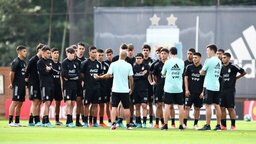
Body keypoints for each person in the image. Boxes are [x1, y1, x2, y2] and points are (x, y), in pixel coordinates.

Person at [98, 50, 134, 130]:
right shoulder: (128, 65)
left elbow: (108, 75)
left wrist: (99, 77)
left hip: (115, 90)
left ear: (119, 55)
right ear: (126, 57)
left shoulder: (113, 64)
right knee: (126, 108)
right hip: (125, 90)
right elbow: (131, 78)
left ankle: (113, 123)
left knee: (114, 107)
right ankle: (128, 125)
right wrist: (131, 88)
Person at [220, 52, 246, 130]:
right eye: (222, 58)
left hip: (230, 91)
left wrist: (236, 78)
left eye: (224, 57)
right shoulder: (221, 67)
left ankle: (233, 126)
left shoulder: (234, 66)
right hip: (222, 91)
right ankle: (223, 126)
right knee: (222, 108)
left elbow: (244, 72)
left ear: (228, 58)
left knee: (230, 108)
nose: (223, 59)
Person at [199, 44, 222, 131]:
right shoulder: (219, 61)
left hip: (208, 86)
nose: (207, 52)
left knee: (208, 106)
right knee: (217, 105)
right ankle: (218, 125)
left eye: (207, 50)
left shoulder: (209, 60)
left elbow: (202, 72)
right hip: (216, 86)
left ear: (212, 50)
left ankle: (207, 125)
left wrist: (202, 71)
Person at [161, 47, 185, 130]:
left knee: (167, 106)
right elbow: (181, 72)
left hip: (169, 88)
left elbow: (163, 72)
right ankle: (181, 125)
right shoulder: (181, 62)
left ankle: (165, 125)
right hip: (178, 88)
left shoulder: (168, 62)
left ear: (170, 53)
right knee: (181, 107)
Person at [81, 46, 101, 127]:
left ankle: (95, 121)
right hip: (87, 87)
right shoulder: (85, 63)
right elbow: (81, 75)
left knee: (95, 105)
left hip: (96, 87)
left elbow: (99, 74)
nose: (94, 53)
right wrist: (86, 81)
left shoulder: (98, 64)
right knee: (86, 104)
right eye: (93, 52)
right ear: (89, 53)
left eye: (95, 52)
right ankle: (85, 121)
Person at [184, 52, 204, 129]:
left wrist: (203, 92)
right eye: (193, 58)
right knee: (187, 107)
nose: (194, 59)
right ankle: (184, 124)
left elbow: (205, 81)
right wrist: (186, 89)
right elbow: (186, 78)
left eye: (196, 58)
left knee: (197, 108)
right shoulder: (189, 67)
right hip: (190, 92)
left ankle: (195, 124)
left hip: (199, 92)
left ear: (199, 58)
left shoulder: (203, 68)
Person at [8, 46, 27, 127]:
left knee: (20, 103)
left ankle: (17, 121)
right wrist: (11, 83)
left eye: (26, 51)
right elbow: (11, 73)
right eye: (24, 51)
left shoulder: (24, 62)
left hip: (23, 86)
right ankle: (10, 121)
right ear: (19, 52)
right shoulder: (16, 61)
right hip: (17, 85)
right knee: (14, 102)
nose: (26, 53)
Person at [25, 43, 44, 126]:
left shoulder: (42, 61)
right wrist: (27, 84)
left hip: (40, 84)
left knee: (39, 102)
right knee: (35, 102)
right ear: (39, 50)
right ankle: (36, 121)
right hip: (33, 84)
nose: (43, 52)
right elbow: (27, 72)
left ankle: (31, 120)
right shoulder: (33, 60)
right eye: (42, 50)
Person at [62, 47, 80, 128]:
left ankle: (69, 120)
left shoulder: (76, 63)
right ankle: (69, 120)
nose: (72, 54)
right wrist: (73, 77)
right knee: (68, 103)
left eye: (73, 53)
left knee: (73, 103)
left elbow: (78, 74)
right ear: (67, 53)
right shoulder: (64, 62)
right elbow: (65, 75)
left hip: (74, 86)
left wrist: (71, 77)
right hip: (67, 86)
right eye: (70, 53)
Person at [37, 45, 55, 128]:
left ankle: (45, 121)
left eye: (49, 53)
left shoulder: (50, 61)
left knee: (49, 103)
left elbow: (51, 72)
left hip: (51, 84)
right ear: (43, 53)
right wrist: (48, 70)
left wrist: (50, 70)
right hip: (44, 85)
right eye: (47, 53)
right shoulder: (40, 62)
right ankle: (45, 121)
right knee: (46, 103)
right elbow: (42, 73)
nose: (49, 55)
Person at [153, 48, 169, 128]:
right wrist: (158, 83)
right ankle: (157, 123)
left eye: (164, 53)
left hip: (168, 88)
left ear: (167, 54)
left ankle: (167, 122)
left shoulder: (170, 64)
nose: (162, 55)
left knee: (167, 105)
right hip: (159, 88)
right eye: (161, 53)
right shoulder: (157, 65)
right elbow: (155, 76)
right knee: (159, 105)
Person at [132, 53, 149, 128]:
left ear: (142, 59)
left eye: (140, 58)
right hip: (135, 89)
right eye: (137, 58)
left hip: (144, 89)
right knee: (137, 106)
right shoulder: (133, 67)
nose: (138, 60)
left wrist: (138, 75)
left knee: (144, 105)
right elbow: (133, 77)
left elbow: (145, 75)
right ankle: (138, 122)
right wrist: (141, 74)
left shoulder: (146, 66)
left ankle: (144, 122)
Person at [142, 44, 154, 128]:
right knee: (142, 104)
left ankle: (150, 121)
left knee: (150, 104)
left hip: (150, 86)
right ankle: (143, 122)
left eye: (147, 50)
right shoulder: (139, 60)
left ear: (149, 51)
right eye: (144, 50)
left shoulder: (152, 61)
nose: (145, 52)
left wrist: (152, 82)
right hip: (141, 86)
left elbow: (153, 73)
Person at [97, 48, 110, 127]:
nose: (101, 57)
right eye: (99, 55)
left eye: (102, 55)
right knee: (93, 104)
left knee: (103, 105)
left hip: (104, 88)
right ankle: (91, 121)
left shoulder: (106, 65)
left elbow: (108, 76)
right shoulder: (94, 64)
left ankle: (101, 122)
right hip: (95, 88)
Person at [74, 42, 87, 126]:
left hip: (84, 85)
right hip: (75, 85)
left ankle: (84, 120)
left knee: (83, 103)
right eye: (80, 49)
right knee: (77, 102)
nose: (81, 51)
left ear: (84, 50)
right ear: (77, 50)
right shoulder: (73, 60)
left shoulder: (86, 61)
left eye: (82, 49)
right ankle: (77, 120)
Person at [51, 48, 63, 126]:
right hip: (50, 87)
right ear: (51, 54)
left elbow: (62, 76)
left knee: (58, 103)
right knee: (48, 103)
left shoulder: (60, 64)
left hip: (58, 87)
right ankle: (45, 120)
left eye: (57, 53)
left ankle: (57, 120)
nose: (56, 54)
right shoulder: (49, 63)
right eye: (54, 53)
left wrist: (62, 87)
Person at [104, 48, 113, 126]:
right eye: (108, 55)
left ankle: (115, 119)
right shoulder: (104, 64)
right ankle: (109, 120)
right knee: (107, 104)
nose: (109, 56)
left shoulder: (115, 63)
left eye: (110, 55)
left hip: (114, 86)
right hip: (106, 87)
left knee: (114, 104)